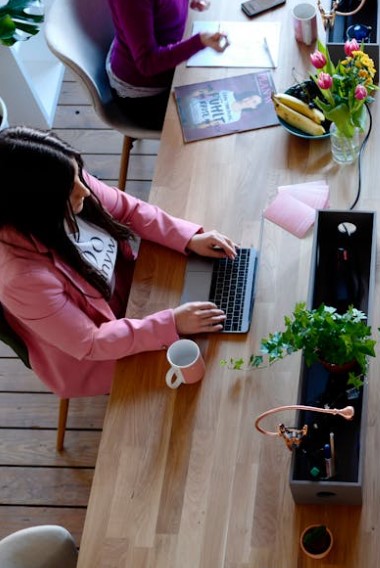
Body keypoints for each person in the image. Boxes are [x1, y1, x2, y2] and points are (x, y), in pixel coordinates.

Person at [0, 126, 237, 398]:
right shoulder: (22, 279)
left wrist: (188, 238)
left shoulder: (65, 178)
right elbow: (91, 342)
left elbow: (130, 209)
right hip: (97, 356)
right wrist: (171, 323)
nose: (85, 191)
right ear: (37, 206)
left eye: (79, 175)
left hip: (135, 294)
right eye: (71, 188)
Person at [106, 0, 229, 130]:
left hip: (171, 66)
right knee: (219, 128)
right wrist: (198, 42)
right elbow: (147, 63)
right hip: (145, 97)